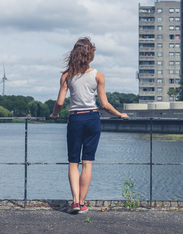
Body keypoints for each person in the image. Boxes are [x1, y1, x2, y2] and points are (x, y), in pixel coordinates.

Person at [50, 37, 129, 214]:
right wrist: (120, 114)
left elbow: (60, 102)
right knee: (87, 162)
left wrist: (54, 115)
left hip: (75, 119)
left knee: (73, 162)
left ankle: (75, 203)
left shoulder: (66, 76)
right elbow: (105, 105)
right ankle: (83, 203)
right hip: (93, 119)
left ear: (74, 54)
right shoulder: (98, 75)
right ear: (90, 55)